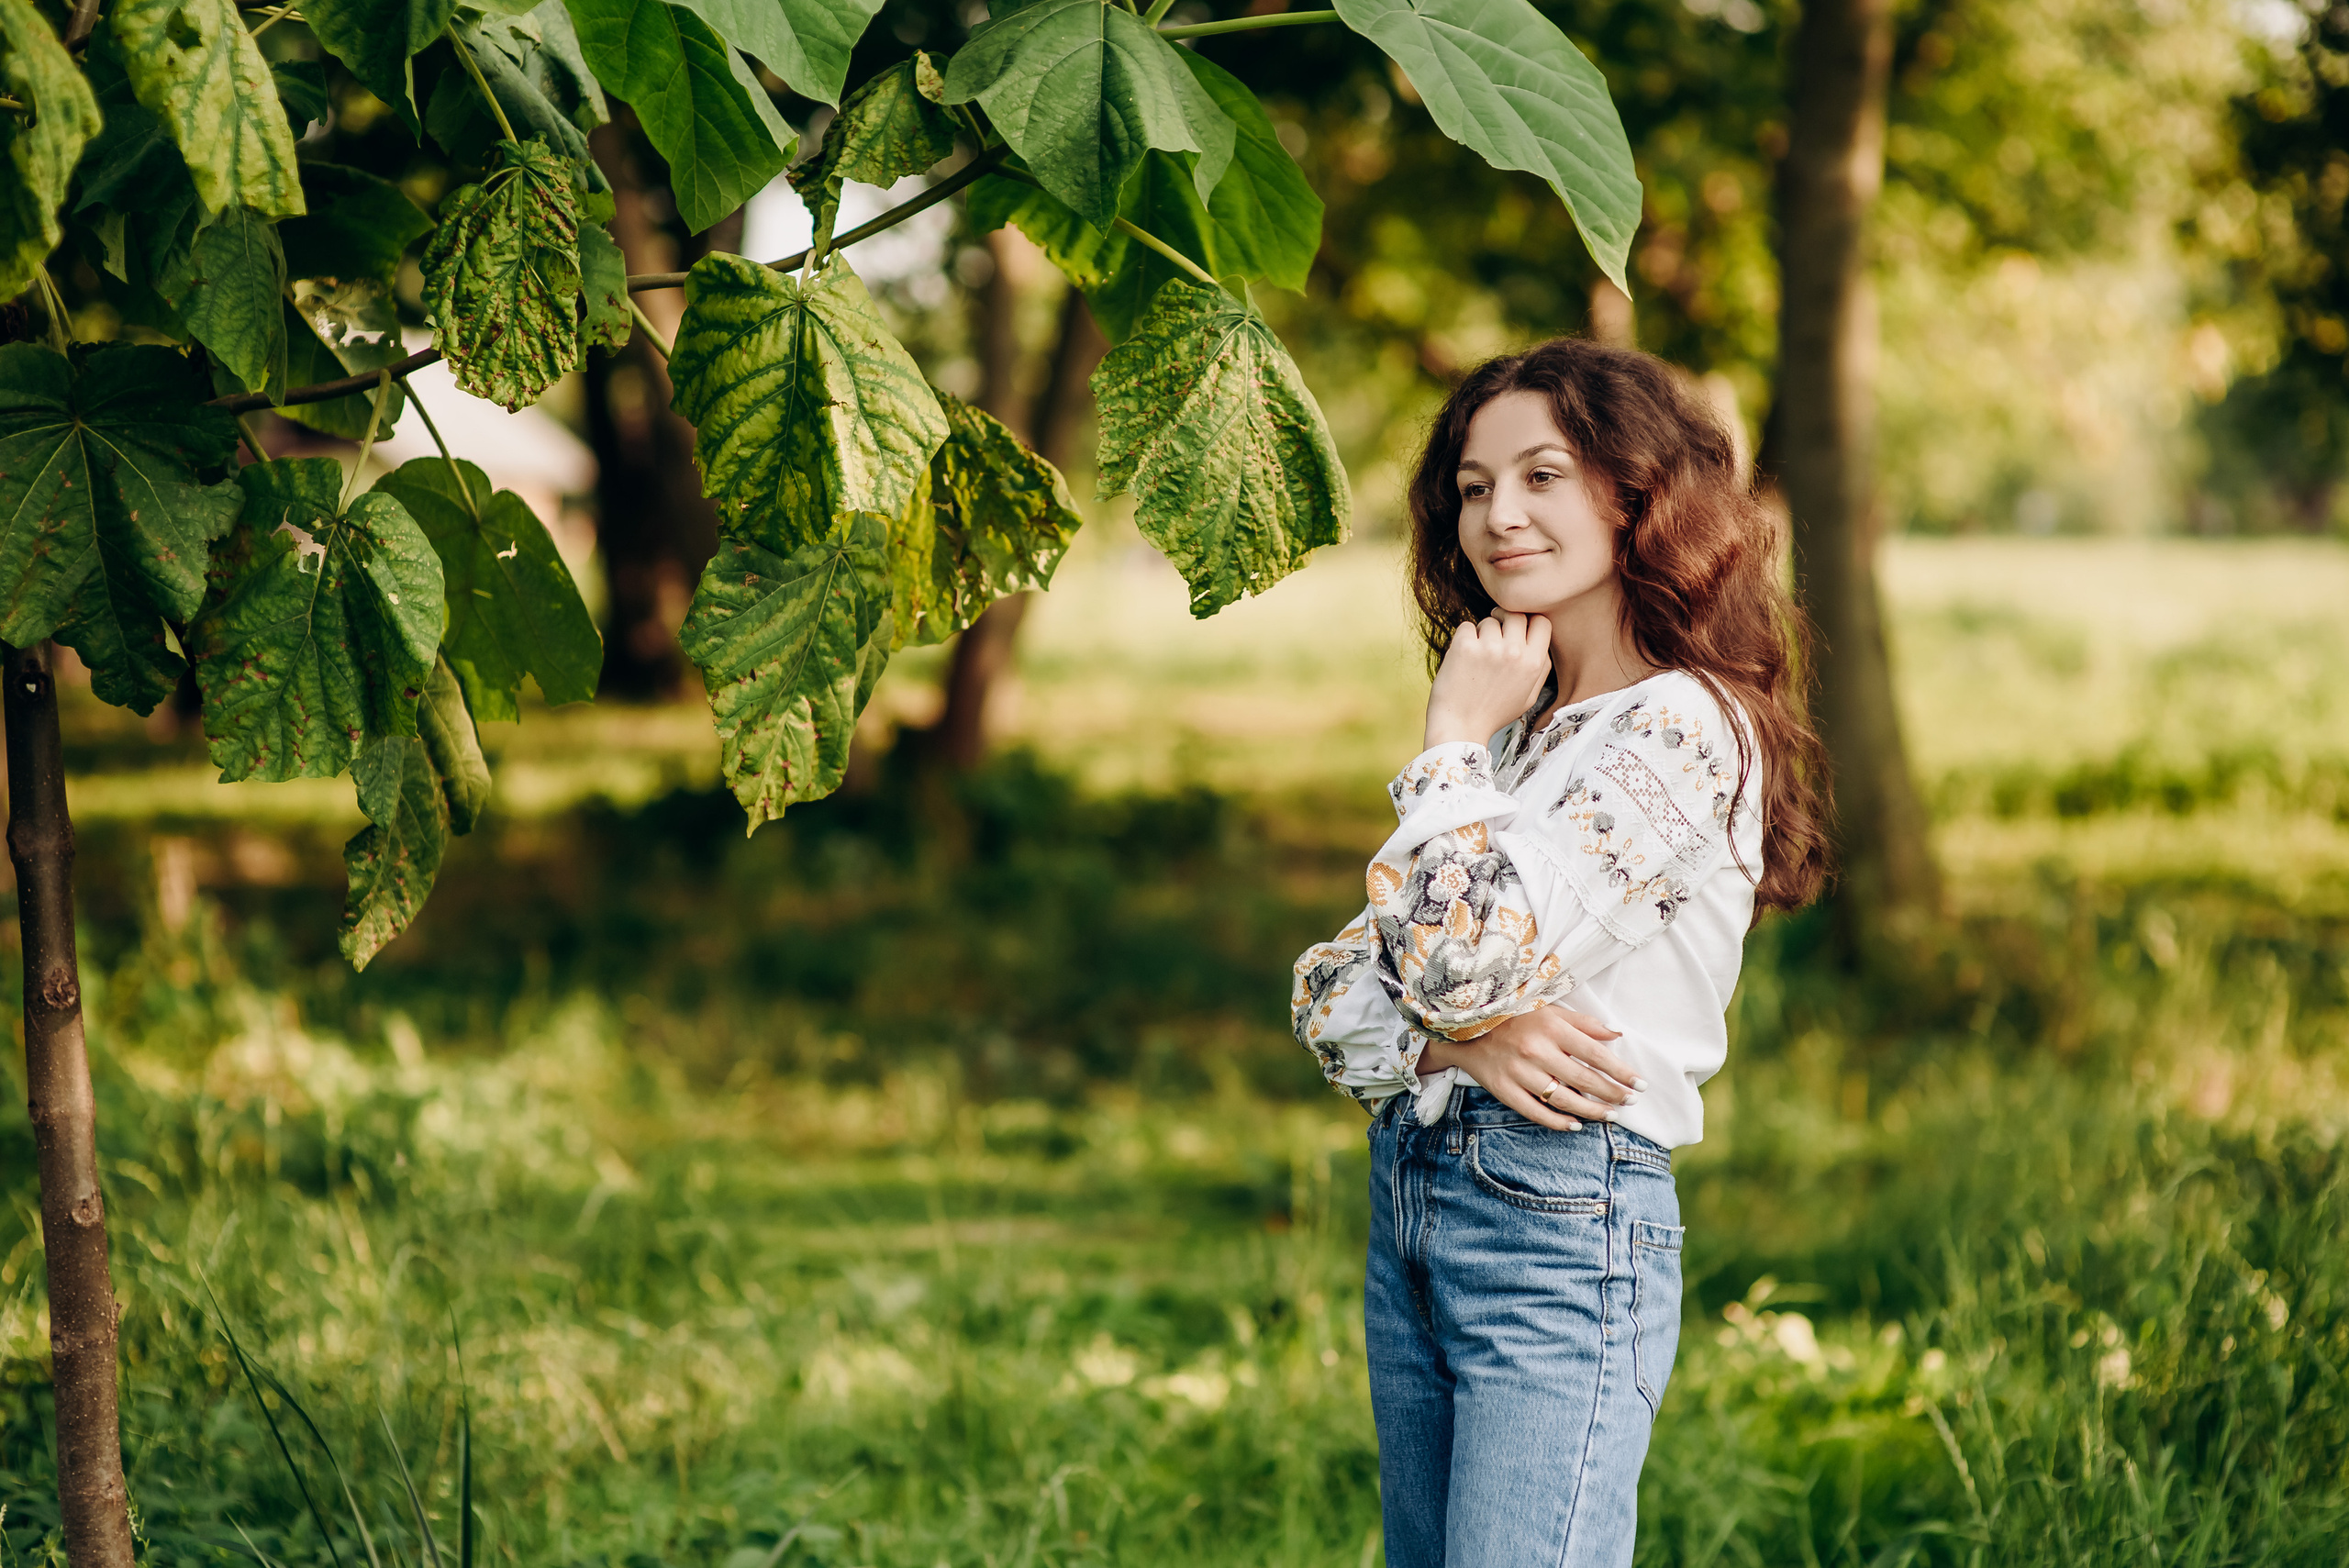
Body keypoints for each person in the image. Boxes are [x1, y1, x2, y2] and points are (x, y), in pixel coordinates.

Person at [1291, 337, 1833, 1567]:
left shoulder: (1682, 728)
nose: (1500, 515)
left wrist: (1446, 751)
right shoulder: (1522, 740)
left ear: (1638, 493)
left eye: (1543, 475)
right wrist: (1457, 1039)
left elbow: (1449, 958)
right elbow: (1330, 998)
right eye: (1474, 487)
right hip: (1419, 1200)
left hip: (1560, 1213)